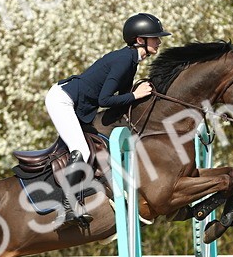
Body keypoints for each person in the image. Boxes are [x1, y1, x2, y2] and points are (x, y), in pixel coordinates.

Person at [45, 12, 171, 225]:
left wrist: (136, 93)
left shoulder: (131, 61)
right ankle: (67, 207)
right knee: (82, 150)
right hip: (63, 100)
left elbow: (121, 98)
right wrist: (135, 95)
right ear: (140, 40)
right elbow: (105, 99)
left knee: (100, 149)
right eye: (155, 37)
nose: (159, 42)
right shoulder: (124, 59)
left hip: (78, 104)